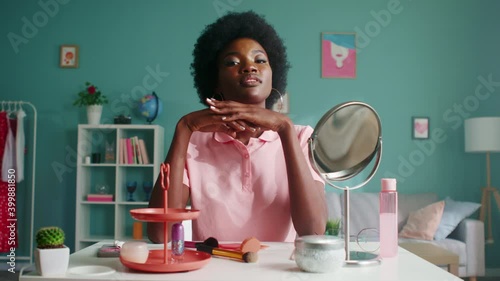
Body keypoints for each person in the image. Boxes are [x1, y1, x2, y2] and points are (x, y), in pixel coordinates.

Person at [148, 11, 327, 243]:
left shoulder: (300, 136)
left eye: (260, 60)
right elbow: (160, 234)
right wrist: (184, 127)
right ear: (215, 82)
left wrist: (284, 128)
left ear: (275, 75)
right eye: (232, 62)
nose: (249, 67)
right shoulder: (193, 140)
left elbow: (313, 230)